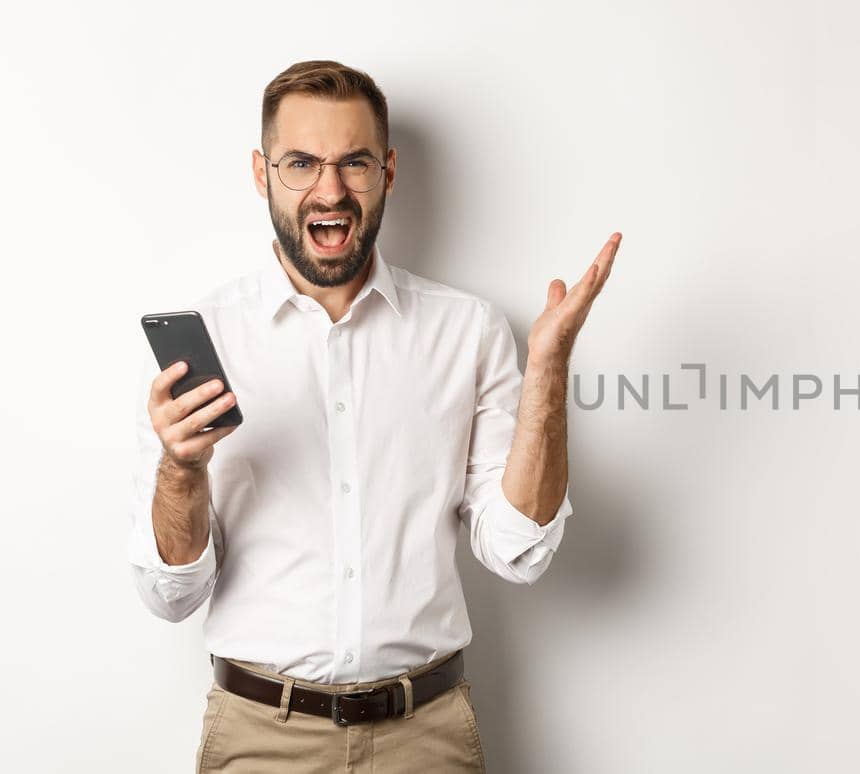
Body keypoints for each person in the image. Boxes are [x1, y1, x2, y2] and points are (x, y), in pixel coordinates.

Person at [125, 59, 620, 773]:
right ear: (263, 175)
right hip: (261, 738)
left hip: (428, 736)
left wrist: (547, 369)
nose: (330, 190)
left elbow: (520, 551)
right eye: (301, 163)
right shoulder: (205, 341)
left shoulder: (468, 332)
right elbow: (170, 595)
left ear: (387, 171)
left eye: (354, 162)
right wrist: (182, 468)